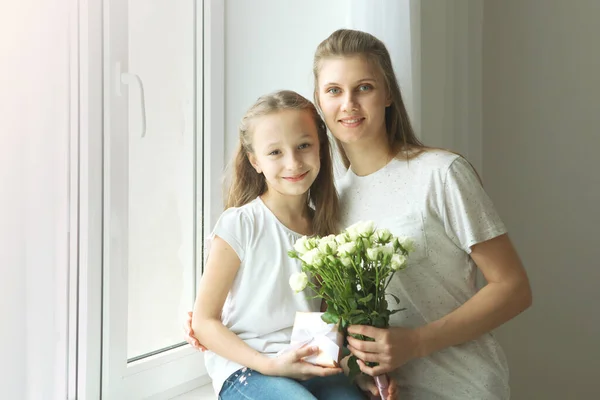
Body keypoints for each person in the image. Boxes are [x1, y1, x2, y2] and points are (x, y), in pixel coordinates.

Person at [187, 29, 532, 399]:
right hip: (378, 392)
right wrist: (219, 325)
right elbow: (333, 317)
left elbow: (513, 289)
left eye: (364, 87)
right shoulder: (329, 209)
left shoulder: (440, 174)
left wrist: (415, 342)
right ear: (319, 102)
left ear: (387, 94)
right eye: (334, 90)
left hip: (460, 388)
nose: (348, 103)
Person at [189, 90, 391, 399]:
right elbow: (204, 321)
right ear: (255, 160)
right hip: (248, 369)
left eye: (304, 146)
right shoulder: (240, 224)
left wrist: (354, 372)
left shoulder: (327, 232)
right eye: (275, 153)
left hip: (309, 363)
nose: (293, 162)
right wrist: (269, 365)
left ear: (320, 148)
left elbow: (325, 322)